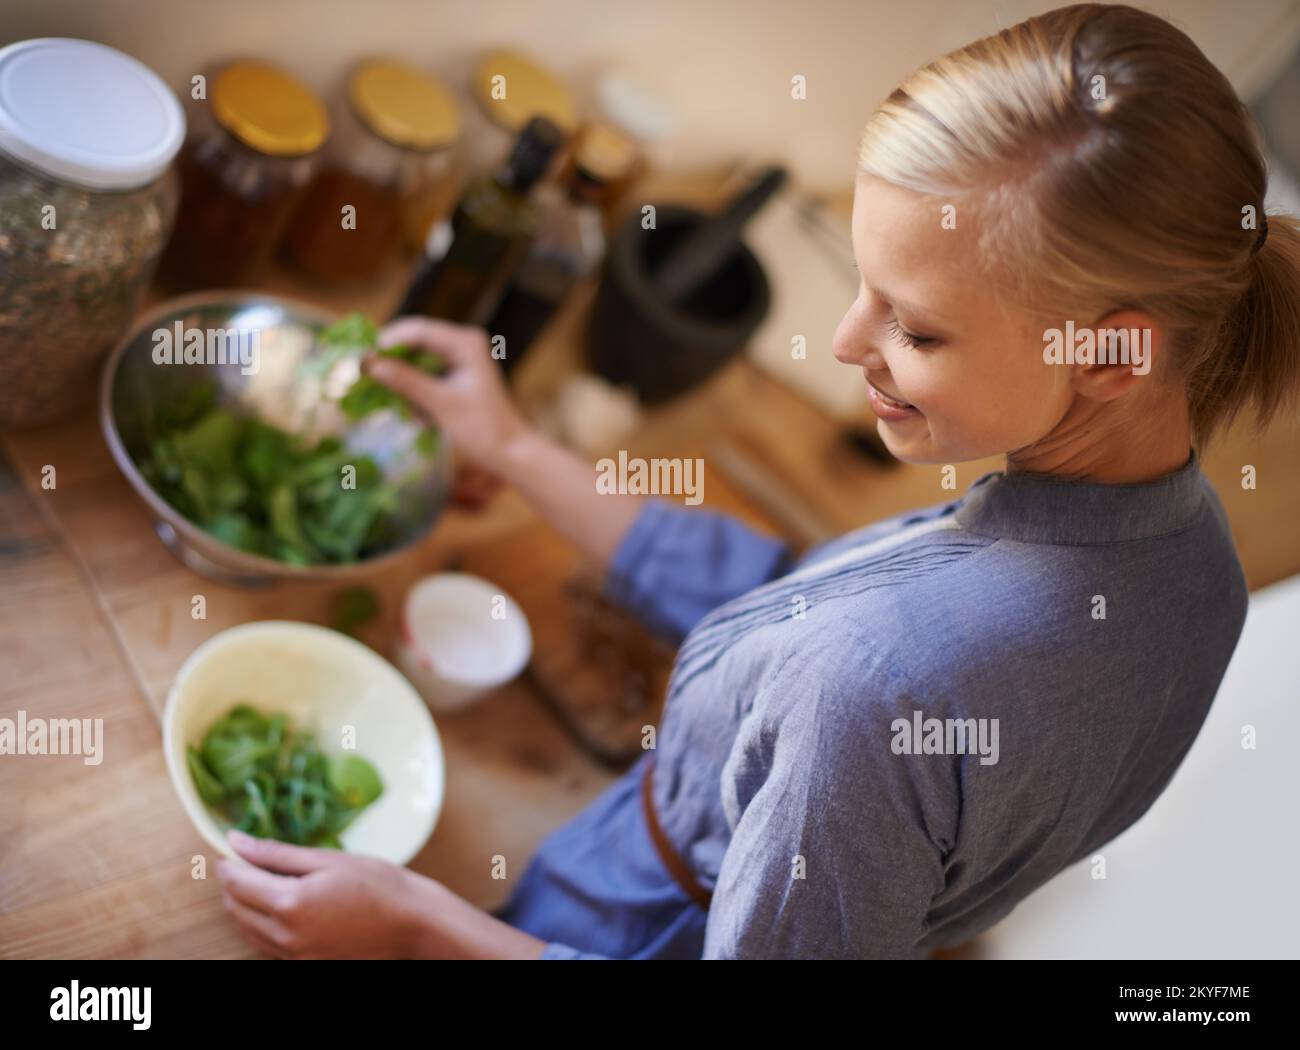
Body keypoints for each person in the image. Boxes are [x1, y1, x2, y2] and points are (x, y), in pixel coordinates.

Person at [216, 3, 1300, 959]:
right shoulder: (1199, 569)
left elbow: (852, 667)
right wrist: (514, 446)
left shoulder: (873, 691)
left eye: (914, 327)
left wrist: (413, 926)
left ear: (1111, 359)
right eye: (865, 286)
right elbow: (799, 595)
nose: (843, 340)